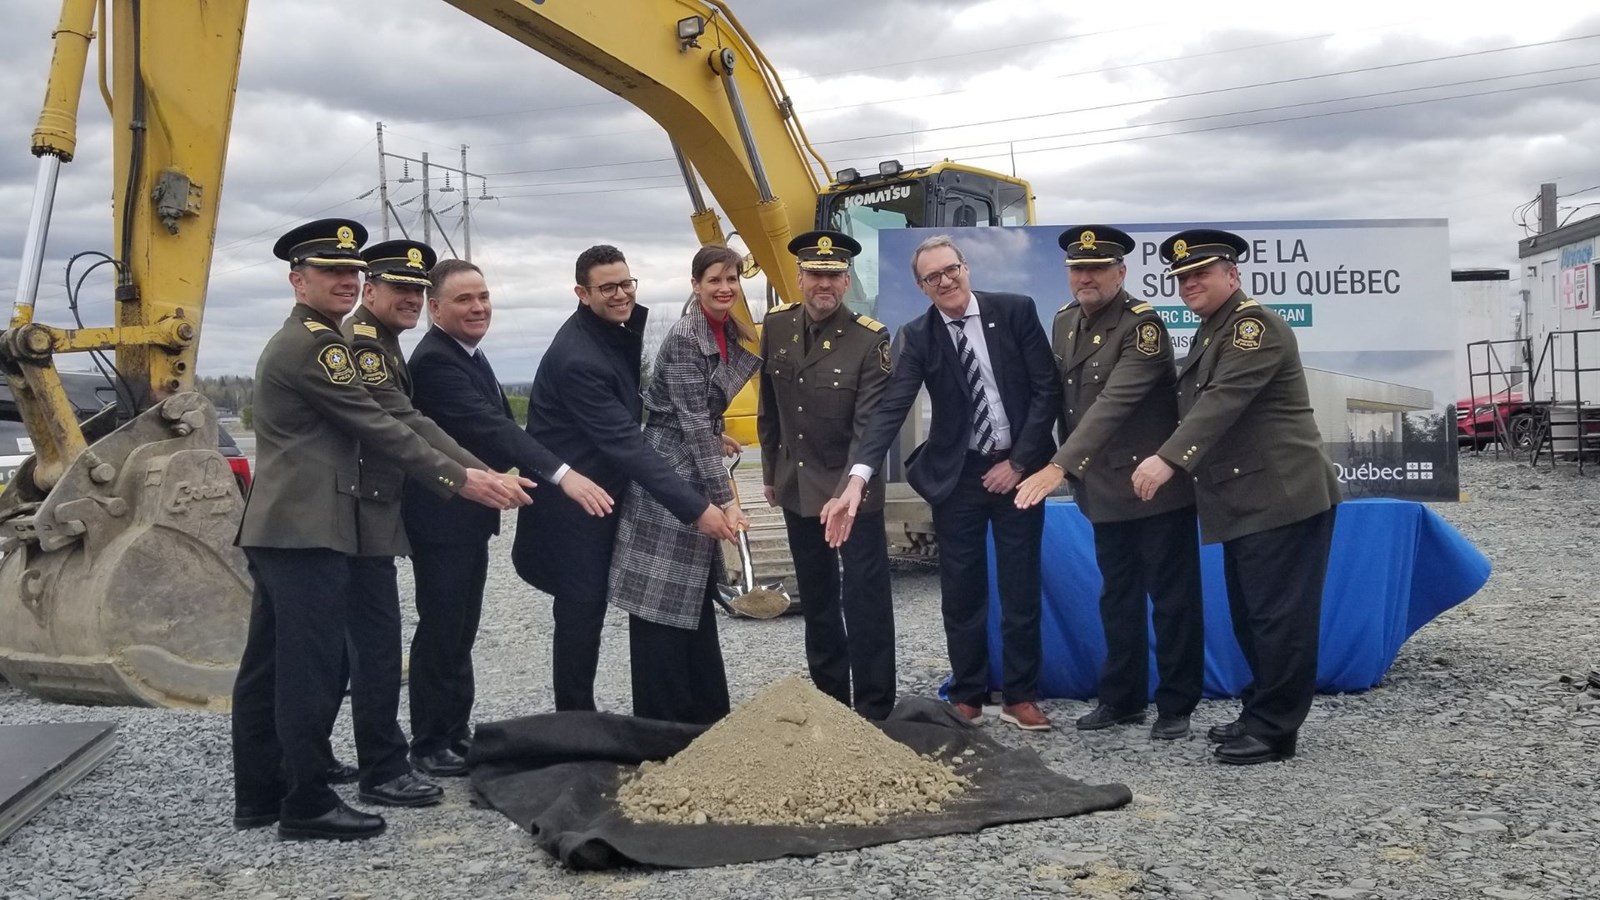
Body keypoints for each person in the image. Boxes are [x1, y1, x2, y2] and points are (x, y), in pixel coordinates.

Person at [231, 219, 530, 842]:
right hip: (307, 528)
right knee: (309, 670)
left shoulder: (323, 338)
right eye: (332, 272)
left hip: (297, 526)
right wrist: (463, 480)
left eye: (351, 271)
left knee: (273, 665)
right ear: (298, 280)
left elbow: (399, 418)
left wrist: (475, 473)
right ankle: (306, 802)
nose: (346, 280)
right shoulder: (319, 347)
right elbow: (382, 426)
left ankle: (262, 794)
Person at [822, 234, 1060, 731]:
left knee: (1019, 586)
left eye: (951, 269)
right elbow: (891, 408)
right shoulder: (918, 335)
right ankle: (968, 693)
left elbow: (1046, 389)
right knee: (961, 589)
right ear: (922, 287)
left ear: (965, 267)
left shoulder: (1015, 311)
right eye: (933, 277)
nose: (946, 281)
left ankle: (1021, 696)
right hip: (959, 476)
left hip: (1019, 470)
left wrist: (1019, 463)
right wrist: (858, 477)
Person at [1130, 228, 1341, 765]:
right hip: (1248, 498)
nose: (1189, 284)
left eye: (1200, 273)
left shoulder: (1253, 327)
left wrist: (1168, 459)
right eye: (1181, 278)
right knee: (1253, 617)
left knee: (1280, 620)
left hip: (1282, 496)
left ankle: (1275, 731)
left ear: (1232, 274)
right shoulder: (1213, 329)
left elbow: (1222, 401)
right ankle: (1260, 709)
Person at [402, 258, 613, 775]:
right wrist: (562, 473)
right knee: (443, 630)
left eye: (483, 297)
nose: (479, 307)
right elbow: (494, 430)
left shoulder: (467, 354)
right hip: (442, 520)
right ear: (435, 308)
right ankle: (430, 742)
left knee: (460, 629)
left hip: (466, 520)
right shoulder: (435, 362)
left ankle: (453, 731)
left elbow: (499, 427)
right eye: (464, 300)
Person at [511, 245, 736, 712]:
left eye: (626, 283)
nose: (621, 294)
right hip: (575, 508)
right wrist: (697, 509)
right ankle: (575, 723)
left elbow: (633, 417)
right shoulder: (579, 357)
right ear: (582, 293)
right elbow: (626, 444)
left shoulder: (610, 332)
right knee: (581, 613)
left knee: (596, 609)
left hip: (607, 491)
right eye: (607, 287)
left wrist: (708, 438)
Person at [1014, 226, 1204, 741]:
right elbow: (1058, 399)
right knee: (1117, 598)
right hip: (1101, 488)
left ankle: (1176, 705)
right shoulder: (1064, 320)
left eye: (1097, 268)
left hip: (1153, 490)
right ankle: (1122, 699)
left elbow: (1112, 405)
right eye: (1078, 268)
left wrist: (1059, 466)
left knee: (1173, 601)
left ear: (1120, 273)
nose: (1086, 277)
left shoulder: (1143, 327)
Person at [333, 239, 483, 810]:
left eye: (417, 290)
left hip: (374, 506)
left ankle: (338, 756)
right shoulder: (365, 345)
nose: (411, 299)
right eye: (400, 288)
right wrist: (471, 475)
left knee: (360, 644)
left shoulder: (384, 342)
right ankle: (395, 761)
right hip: (359, 510)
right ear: (370, 290)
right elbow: (400, 424)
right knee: (378, 646)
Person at [607, 244, 760, 724]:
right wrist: (727, 501)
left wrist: (718, 436)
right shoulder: (685, 338)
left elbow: (700, 416)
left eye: (732, 279)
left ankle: (704, 717)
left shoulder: (722, 330)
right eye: (714, 280)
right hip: (668, 477)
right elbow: (691, 424)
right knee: (660, 603)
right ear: (695, 285)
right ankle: (662, 725)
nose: (725, 288)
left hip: (688, 459)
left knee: (691, 600)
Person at [757, 230, 896, 719]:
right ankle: (831, 703)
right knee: (817, 599)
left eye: (834, 276)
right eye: (816, 274)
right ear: (799, 278)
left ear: (846, 281)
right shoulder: (777, 326)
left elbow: (868, 428)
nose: (825, 285)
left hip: (852, 492)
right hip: (797, 487)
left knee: (865, 600)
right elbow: (770, 407)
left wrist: (848, 493)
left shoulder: (870, 338)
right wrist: (771, 472)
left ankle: (875, 708)